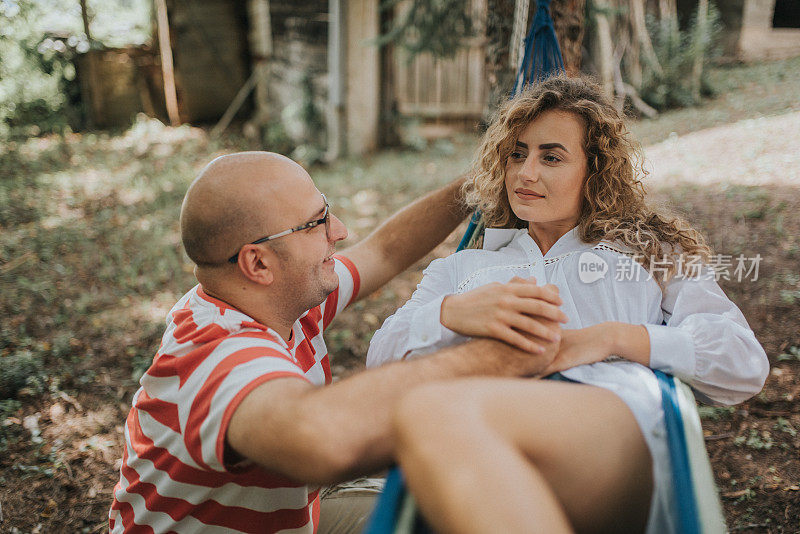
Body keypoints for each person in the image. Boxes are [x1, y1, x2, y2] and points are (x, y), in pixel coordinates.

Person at [367, 76, 769, 534]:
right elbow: (380, 359)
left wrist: (610, 337)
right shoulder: (463, 268)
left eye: (551, 157)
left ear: (594, 171)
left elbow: (742, 360)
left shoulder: (649, 253)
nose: (525, 173)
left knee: (438, 417)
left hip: (607, 424)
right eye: (517, 154)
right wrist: (449, 314)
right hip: (484, 423)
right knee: (437, 421)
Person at [108, 151, 567, 534]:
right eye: (317, 222)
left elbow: (383, 250)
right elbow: (320, 437)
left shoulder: (282, 299)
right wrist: (503, 353)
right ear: (258, 264)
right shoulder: (216, 353)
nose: (340, 230)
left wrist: (475, 184)